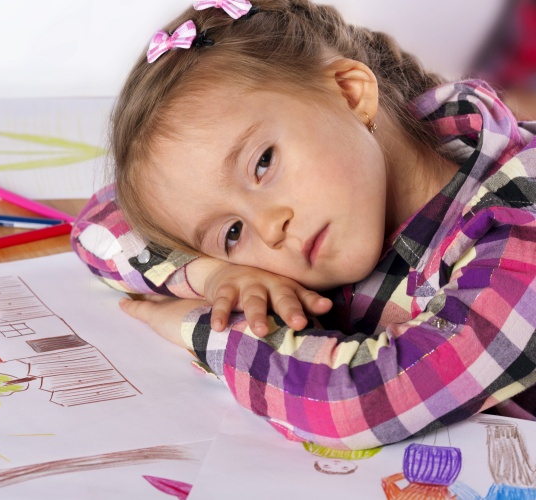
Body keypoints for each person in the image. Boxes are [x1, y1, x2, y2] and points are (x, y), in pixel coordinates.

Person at [71, 0, 536, 451]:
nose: (270, 229)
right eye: (232, 233)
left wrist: (202, 328)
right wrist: (214, 275)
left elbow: (360, 400)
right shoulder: (347, 197)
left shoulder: (519, 229)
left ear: (351, 95)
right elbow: (98, 224)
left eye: (263, 164)